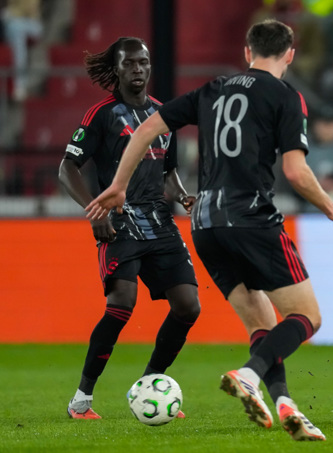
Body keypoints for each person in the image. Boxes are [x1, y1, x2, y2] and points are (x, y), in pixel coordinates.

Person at [85, 20, 333, 441]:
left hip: (206, 224)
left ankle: (285, 404)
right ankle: (249, 374)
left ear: (247, 51)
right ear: (290, 54)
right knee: (307, 317)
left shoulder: (212, 89)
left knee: (262, 324)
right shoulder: (285, 95)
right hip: (251, 218)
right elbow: (295, 172)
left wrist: (118, 185)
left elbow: (147, 128)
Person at [58, 37, 200, 420]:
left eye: (143, 62)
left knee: (188, 306)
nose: (138, 69)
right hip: (118, 219)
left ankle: (150, 382)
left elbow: (168, 170)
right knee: (121, 303)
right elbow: (67, 167)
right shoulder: (101, 114)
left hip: (159, 221)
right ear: (117, 70)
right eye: (129, 63)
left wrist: (183, 196)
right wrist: (95, 211)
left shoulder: (163, 114)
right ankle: (82, 399)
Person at [1, 0, 43, 101]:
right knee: (12, 27)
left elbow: (30, 9)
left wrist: (11, 13)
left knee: (15, 29)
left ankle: (20, 84)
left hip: (32, 23)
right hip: (12, 20)